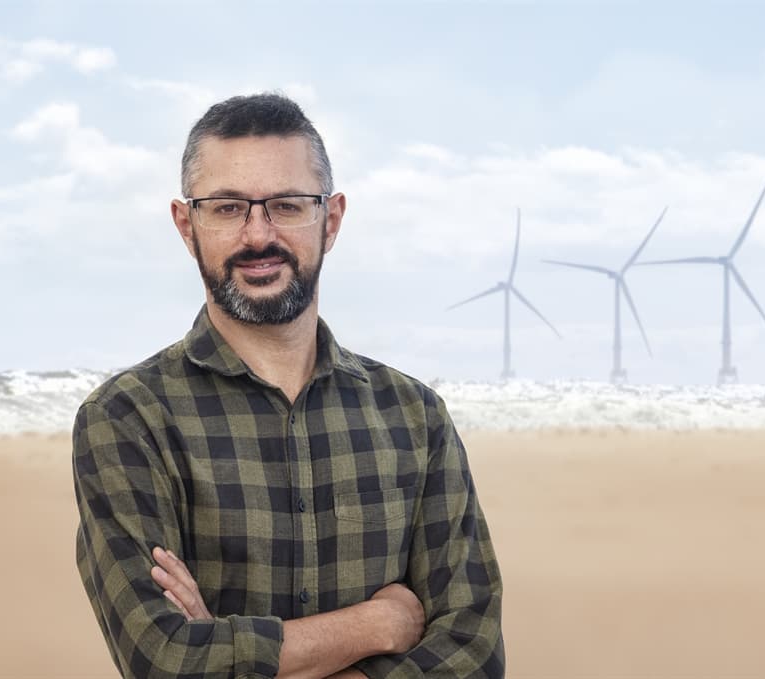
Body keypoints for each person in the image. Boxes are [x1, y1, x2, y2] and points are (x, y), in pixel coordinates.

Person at [72, 93, 505, 679]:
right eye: (227, 208)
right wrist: (377, 625)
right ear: (186, 224)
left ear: (330, 220)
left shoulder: (414, 415)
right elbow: (166, 660)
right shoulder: (128, 420)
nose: (258, 235)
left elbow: (475, 653)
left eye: (286, 205)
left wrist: (232, 652)